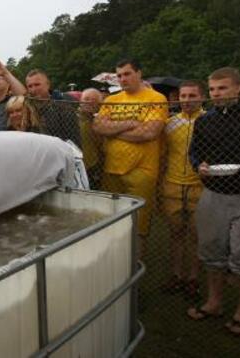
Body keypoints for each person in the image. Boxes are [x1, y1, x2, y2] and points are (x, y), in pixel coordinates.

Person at [186, 67, 240, 336]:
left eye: (222, 88)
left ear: (237, 88)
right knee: (212, 254)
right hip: (214, 195)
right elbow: (195, 153)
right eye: (212, 89)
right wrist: (200, 165)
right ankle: (214, 302)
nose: (216, 94)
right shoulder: (204, 121)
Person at [92, 59, 168, 252]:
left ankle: (136, 263)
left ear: (139, 73)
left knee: (139, 224)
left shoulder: (155, 98)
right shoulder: (111, 100)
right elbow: (98, 126)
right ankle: (116, 259)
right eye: (119, 75)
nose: (122, 79)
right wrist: (130, 123)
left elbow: (149, 133)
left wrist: (114, 130)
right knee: (112, 220)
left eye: (127, 74)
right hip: (111, 169)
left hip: (142, 170)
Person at [160, 80, 205, 299]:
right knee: (176, 233)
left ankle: (193, 278)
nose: (187, 100)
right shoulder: (170, 123)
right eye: (183, 96)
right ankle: (176, 275)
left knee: (196, 235)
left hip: (200, 186)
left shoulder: (207, 121)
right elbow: (163, 153)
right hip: (173, 184)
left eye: (192, 96)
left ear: (201, 97)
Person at [25, 69, 81, 146]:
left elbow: (74, 137)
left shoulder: (64, 104)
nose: (33, 89)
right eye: (30, 86)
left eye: (37, 84)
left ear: (48, 85)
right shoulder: (27, 108)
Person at [78, 88, 104, 189]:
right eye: (86, 99)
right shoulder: (72, 117)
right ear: (80, 101)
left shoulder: (100, 121)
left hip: (92, 165)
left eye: (93, 100)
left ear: (99, 104)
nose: (89, 102)